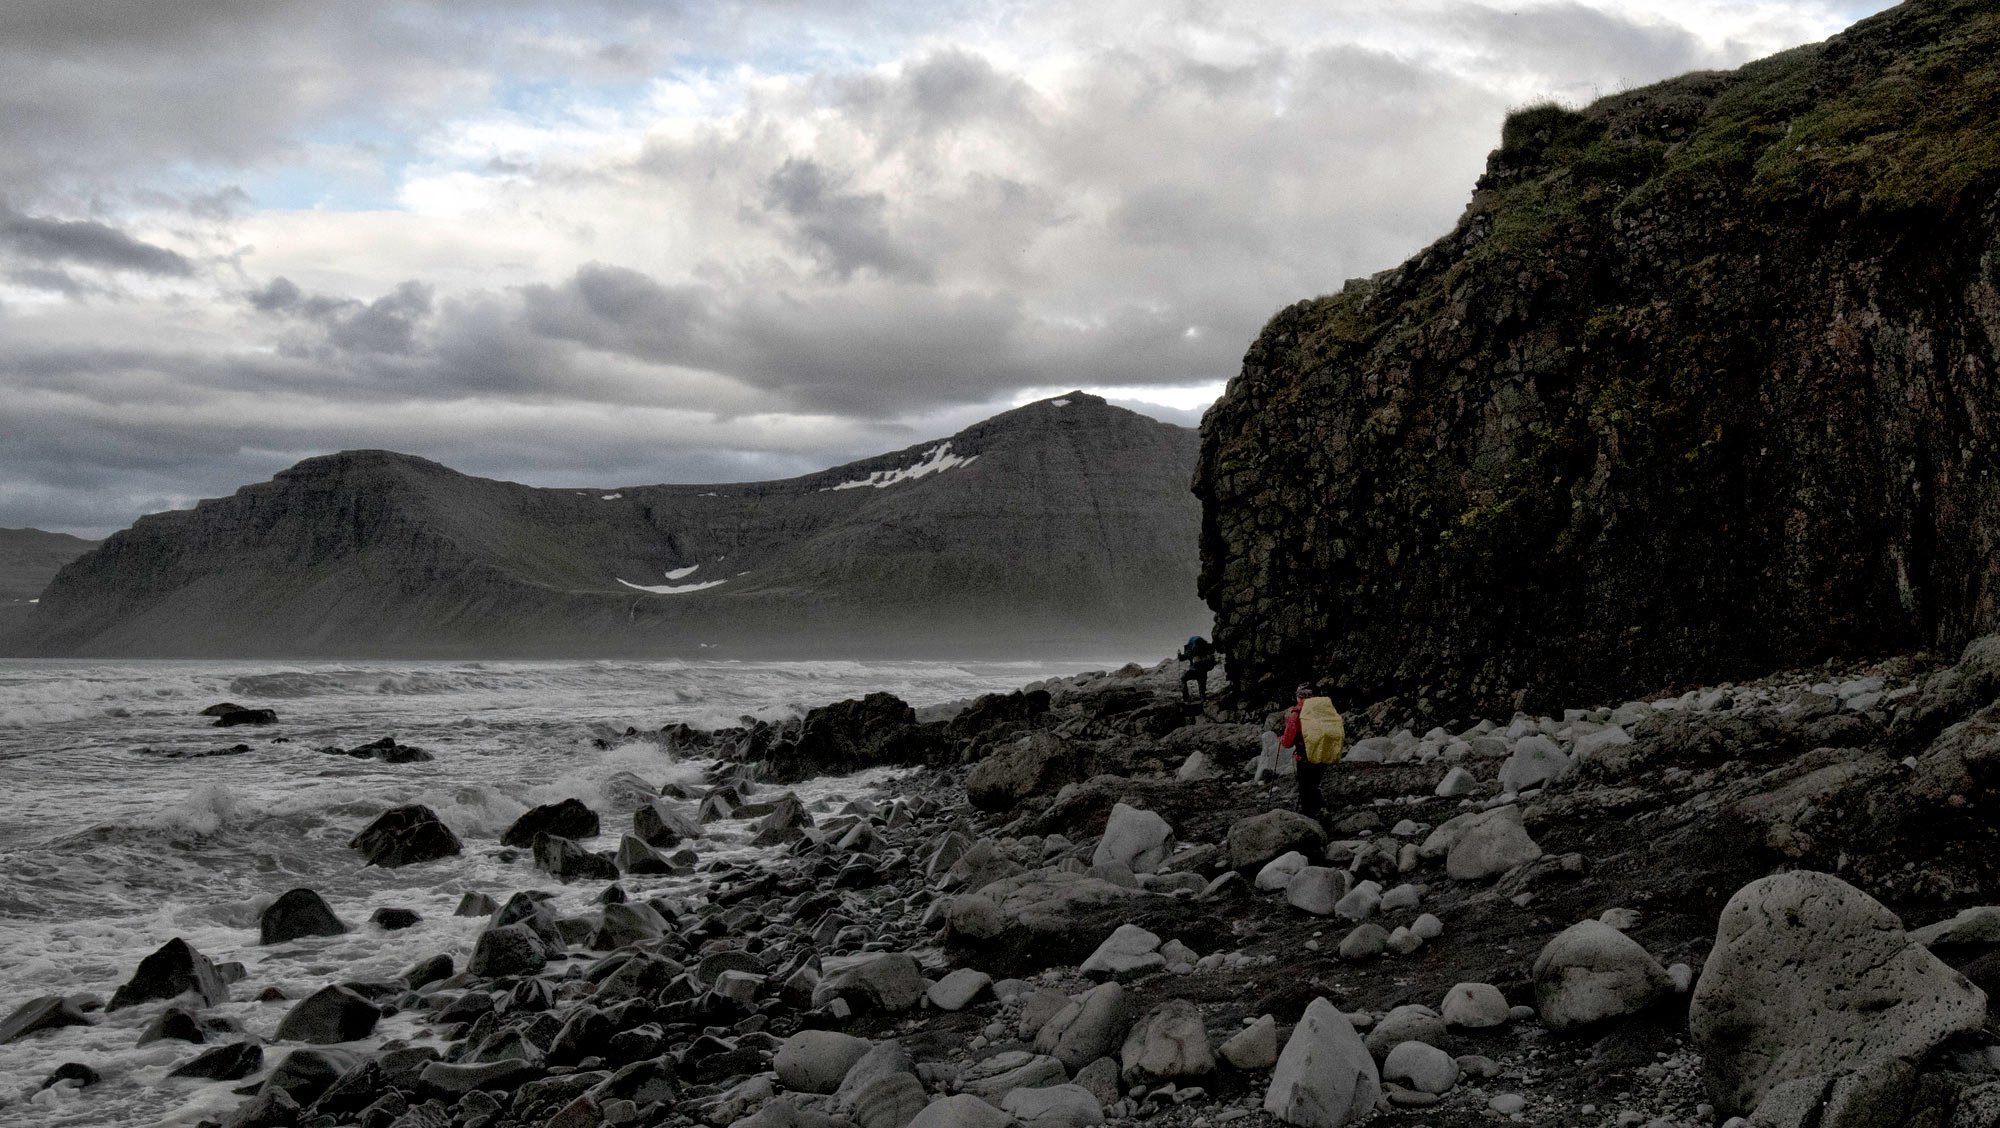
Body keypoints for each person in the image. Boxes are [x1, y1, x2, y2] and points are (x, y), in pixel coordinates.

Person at [1279, 681, 1327, 825]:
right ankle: (1323, 811)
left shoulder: (1296, 713)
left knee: (1305, 788)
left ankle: (1310, 821)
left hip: (1305, 757)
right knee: (1314, 785)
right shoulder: (1322, 710)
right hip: (1323, 754)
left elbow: (1287, 742)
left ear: (1299, 697)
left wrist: (1281, 738)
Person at [1178, 635, 1216, 702]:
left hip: (1194, 670)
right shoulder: (1206, 647)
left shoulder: (1192, 648)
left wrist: (1179, 655)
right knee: (1202, 685)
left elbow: (1182, 658)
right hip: (1204, 671)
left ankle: (1186, 698)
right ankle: (1203, 699)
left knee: (1183, 678)